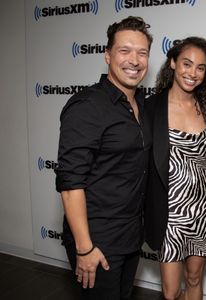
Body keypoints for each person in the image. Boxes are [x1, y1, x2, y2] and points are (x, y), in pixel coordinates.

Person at [55, 16, 153, 299]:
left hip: (131, 235)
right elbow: (71, 182)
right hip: (97, 240)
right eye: (124, 51)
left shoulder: (142, 104)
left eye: (142, 52)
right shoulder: (87, 106)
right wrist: (84, 248)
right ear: (107, 55)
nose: (134, 60)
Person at [144, 36, 206, 300]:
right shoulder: (152, 107)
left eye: (200, 68)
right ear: (173, 63)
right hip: (169, 213)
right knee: (169, 292)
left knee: (193, 278)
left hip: (203, 210)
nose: (193, 73)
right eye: (187, 64)